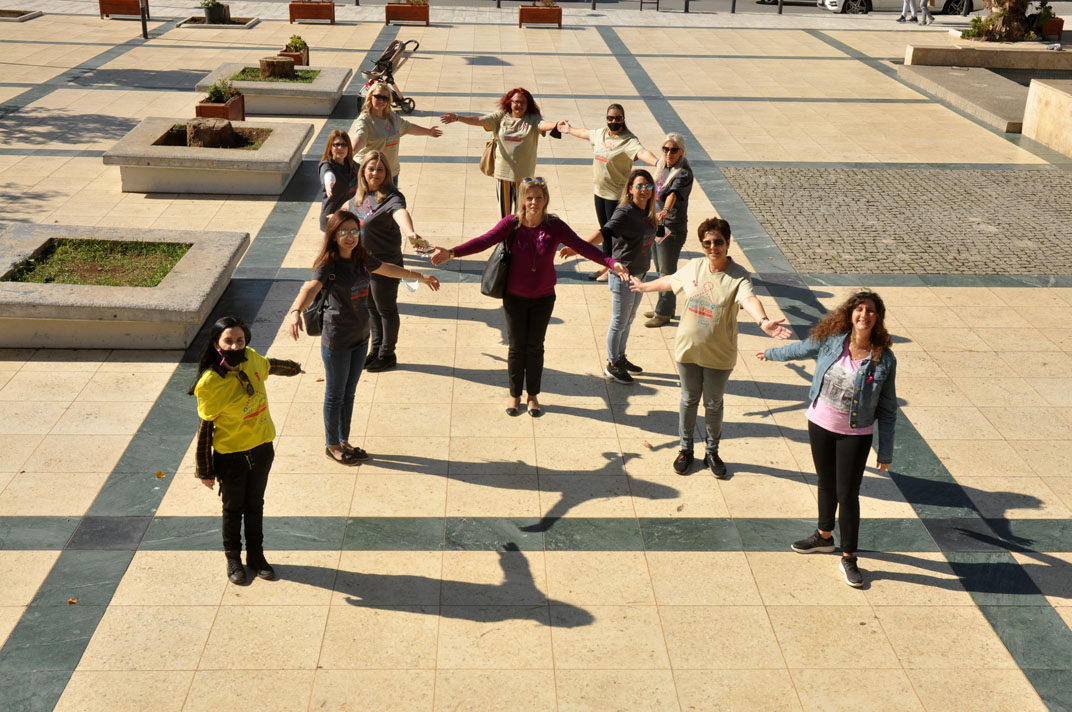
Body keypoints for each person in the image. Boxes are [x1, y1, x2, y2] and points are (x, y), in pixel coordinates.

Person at [429, 177, 628, 416]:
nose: (534, 202)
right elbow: (484, 241)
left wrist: (611, 263)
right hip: (514, 296)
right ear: (522, 200)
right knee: (516, 347)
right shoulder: (511, 224)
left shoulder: (554, 225)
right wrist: (452, 253)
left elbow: (581, 246)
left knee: (535, 347)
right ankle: (515, 395)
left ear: (546, 200)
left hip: (544, 297)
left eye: (539, 198)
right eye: (530, 198)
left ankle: (533, 395)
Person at [756, 290, 897, 588]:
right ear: (850, 313)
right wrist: (770, 354)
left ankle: (849, 557)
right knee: (825, 482)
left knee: (847, 494)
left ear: (878, 318)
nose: (864, 315)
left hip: (855, 433)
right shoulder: (833, 341)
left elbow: (887, 409)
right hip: (820, 423)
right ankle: (823, 536)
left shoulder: (883, 359)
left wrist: (885, 452)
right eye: (859, 309)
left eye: (870, 311)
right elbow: (800, 349)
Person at [630, 217, 790, 478]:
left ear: (727, 243)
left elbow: (749, 299)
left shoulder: (738, 276)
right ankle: (685, 449)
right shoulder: (695, 267)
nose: (712, 247)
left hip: (719, 353)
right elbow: (671, 281)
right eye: (707, 243)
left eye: (718, 242)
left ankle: (712, 452)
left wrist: (763, 321)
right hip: (688, 350)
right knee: (689, 399)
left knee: (713, 404)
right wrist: (644, 287)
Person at [286, 211, 440, 465]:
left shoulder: (362, 257)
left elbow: (388, 269)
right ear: (333, 235)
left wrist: (419, 277)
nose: (350, 237)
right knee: (335, 394)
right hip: (337, 339)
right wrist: (295, 312)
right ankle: (332, 445)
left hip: (361, 336)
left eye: (354, 231)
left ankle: (343, 440)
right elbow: (311, 288)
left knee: (349, 393)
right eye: (343, 232)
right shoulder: (328, 264)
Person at [191, 316, 302, 585]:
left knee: (255, 505)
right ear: (216, 344)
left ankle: (256, 556)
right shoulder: (209, 383)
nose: (235, 346)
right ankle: (233, 559)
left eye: (239, 340)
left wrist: (293, 368)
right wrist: (204, 470)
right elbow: (205, 428)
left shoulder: (251, 357)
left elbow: (268, 365)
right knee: (232, 509)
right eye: (228, 341)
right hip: (232, 457)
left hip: (262, 449)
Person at [564, 169, 659, 385]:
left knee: (629, 319)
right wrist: (577, 248)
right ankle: (612, 364)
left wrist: (660, 222)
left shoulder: (649, 211)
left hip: (640, 274)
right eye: (639, 186)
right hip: (623, 275)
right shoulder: (625, 212)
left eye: (648, 186)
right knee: (619, 322)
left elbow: (655, 236)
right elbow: (604, 234)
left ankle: (620, 357)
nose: (644, 190)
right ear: (630, 189)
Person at [559, 103, 658, 281]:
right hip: (600, 192)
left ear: (623, 119)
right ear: (606, 119)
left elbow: (642, 152)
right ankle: (606, 264)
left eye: (618, 118)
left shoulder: (628, 140)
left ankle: (611, 267)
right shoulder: (601, 134)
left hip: (616, 196)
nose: (614, 121)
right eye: (610, 118)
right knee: (605, 231)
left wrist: (658, 163)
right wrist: (569, 129)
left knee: (612, 234)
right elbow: (585, 133)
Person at [352, 150, 428, 373]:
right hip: (364, 263)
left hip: (386, 264)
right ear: (363, 171)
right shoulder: (361, 196)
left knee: (385, 308)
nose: (375, 174)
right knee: (371, 307)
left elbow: (400, 213)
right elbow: (348, 210)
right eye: (371, 169)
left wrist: (410, 232)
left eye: (380, 170)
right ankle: (375, 350)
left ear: (387, 173)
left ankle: (387, 353)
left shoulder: (392, 196)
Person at [440, 87, 559, 219]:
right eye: (516, 102)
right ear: (510, 102)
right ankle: (505, 234)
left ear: (528, 105)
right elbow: (479, 120)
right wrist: (458, 118)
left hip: (524, 177)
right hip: (503, 174)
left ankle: (521, 233)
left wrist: (556, 125)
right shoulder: (500, 116)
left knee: (523, 215)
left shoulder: (532, 119)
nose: (519, 105)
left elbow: (543, 124)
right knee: (504, 215)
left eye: (523, 102)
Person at [644, 132, 694, 328]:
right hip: (659, 226)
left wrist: (665, 210)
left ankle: (663, 313)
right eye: (665, 149)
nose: (669, 153)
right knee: (660, 268)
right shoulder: (663, 167)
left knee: (666, 271)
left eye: (673, 150)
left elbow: (673, 194)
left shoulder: (683, 173)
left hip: (671, 228)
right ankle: (666, 306)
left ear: (681, 151)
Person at [352, 81, 442, 181]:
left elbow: (408, 127)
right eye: (377, 96)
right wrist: (350, 154)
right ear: (370, 97)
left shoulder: (392, 116)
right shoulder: (365, 119)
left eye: (385, 98)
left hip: (391, 172)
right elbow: (360, 138)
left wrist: (428, 132)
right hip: (371, 174)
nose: (381, 100)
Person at [318, 130, 358, 232]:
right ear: (330, 147)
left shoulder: (352, 165)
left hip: (349, 219)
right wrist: (329, 183)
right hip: (331, 220)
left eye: (344, 144)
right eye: (336, 145)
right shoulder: (326, 165)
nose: (340, 148)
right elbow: (328, 174)